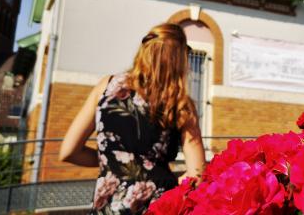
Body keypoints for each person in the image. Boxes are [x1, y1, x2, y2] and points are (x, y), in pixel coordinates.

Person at [59, 23, 206, 214]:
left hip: (109, 207)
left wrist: (114, 161)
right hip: (157, 207)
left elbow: (68, 151)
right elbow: (198, 174)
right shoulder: (179, 103)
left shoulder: (107, 85)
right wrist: (169, 188)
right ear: (178, 60)